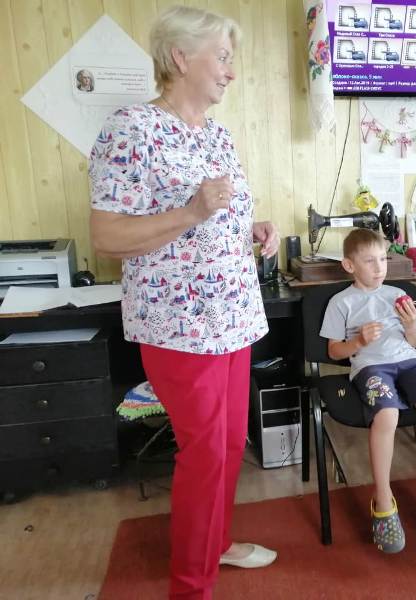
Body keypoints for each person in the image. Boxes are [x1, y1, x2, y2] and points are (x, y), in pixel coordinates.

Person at [89, 6, 279, 599]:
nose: (230, 71)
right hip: (179, 325)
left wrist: (251, 227)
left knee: (229, 445)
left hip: (234, 316)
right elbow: (107, 236)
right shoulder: (131, 129)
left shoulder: (216, 134)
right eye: (221, 57)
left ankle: (215, 545)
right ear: (179, 57)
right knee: (204, 453)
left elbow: (219, 213)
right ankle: (190, 587)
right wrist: (193, 211)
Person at [319, 228, 416, 553]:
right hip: (371, 367)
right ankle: (383, 499)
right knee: (387, 415)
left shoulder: (397, 294)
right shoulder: (341, 302)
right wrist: (358, 341)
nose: (379, 268)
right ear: (349, 265)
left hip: (409, 361)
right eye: (369, 261)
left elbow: (414, 342)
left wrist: (411, 325)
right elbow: (334, 351)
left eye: (383, 259)